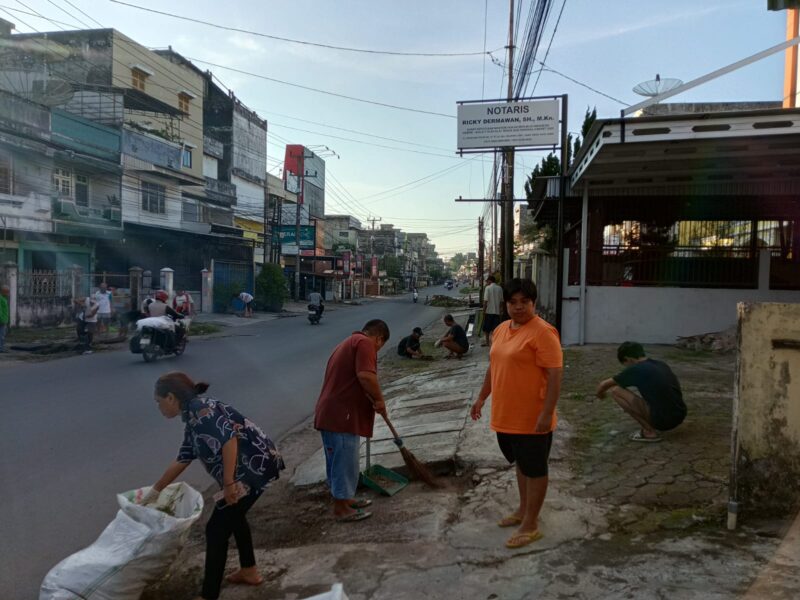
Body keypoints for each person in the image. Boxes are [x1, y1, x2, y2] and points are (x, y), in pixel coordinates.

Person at [143, 372, 284, 600]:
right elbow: (184, 457)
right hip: (250, 469)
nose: (159, 408)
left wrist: (229, 484)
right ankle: (249, 570)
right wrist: (155, 491)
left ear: (170, 397)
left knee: (216, 529)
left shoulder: (200, 411)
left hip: (251, 471)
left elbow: (229, 440)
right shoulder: (192, 414)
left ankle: (209, 596)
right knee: (235, 517)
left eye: (158, 402)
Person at [470, 278, 563, 549]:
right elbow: (493, 367)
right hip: (506, 416)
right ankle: (524, 511)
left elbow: (555, 376)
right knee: (522, 466)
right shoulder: (500, 329)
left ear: (533, 303)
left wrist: (547, 413)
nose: (519, 307)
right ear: (505, 303)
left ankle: (531, 525)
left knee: (535, 469)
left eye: (525, 302)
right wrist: (481, 397)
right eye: (513, 302)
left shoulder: (543, 332)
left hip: (532, 418)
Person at [314, 319, 391, 522]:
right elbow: (366, 376)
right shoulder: (364, 343)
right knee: (343, 461)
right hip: (340, 415)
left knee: (343, 460)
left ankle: (345, 500)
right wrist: (380, 400)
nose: (378, 350)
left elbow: (354, 380)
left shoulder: (349, 342)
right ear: (379, 338)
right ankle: (341, 509)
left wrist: (372, 399)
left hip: (334, 413)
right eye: (380, 346)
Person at [595, 342, 687, 443]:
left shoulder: (637, 369)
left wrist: (600, 394)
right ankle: (654, 421)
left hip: (664, 421)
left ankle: (649, 432)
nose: (627, 368)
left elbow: (603, 385)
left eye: (626, 365)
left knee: (616, 391)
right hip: (680, 414)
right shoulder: (660, 364)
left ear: (628, 358)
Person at [482, 275, 504, 347]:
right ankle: (496, 342)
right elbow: (501, 302)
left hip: (489, 311)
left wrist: (483, 311)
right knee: (496, 329)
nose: (487, 283)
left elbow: (485, 301)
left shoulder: (487, 288)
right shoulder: (499, 288)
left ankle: (488, 343)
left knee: (487, 329)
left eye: (487, 281)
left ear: (490, 281)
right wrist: (501, 311)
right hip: (497, 312)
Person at [0, 284, 9, 353]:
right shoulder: (1, 299)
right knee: (2, 335)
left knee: (3, 335)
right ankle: (1, 348)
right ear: (3, 291)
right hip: (2, 320)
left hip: (4, 319)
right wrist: (2, 320)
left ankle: (2, 347)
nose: (8, 293)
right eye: (6, 292)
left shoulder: (4, 298)